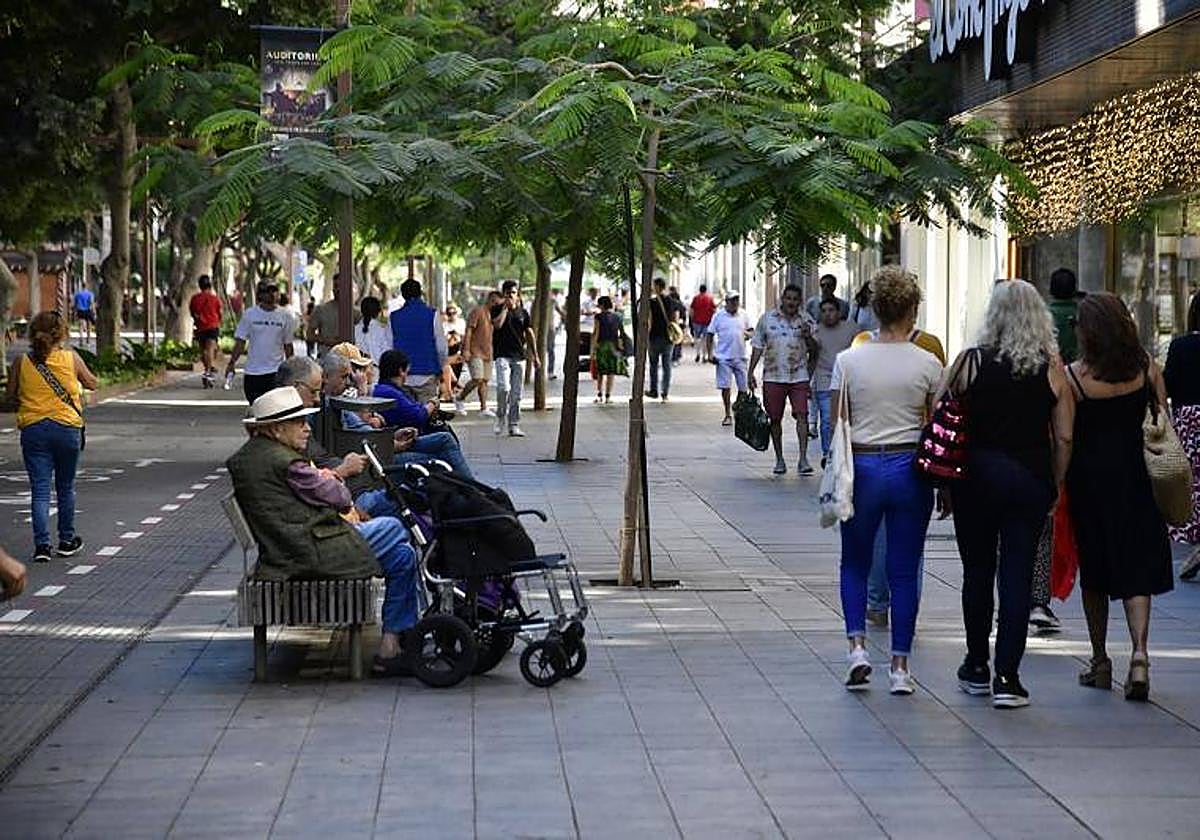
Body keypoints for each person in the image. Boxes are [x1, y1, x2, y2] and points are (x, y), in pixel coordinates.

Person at [227, 386, 421, 676]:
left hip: (291, 547)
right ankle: (403, 635)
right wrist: (338, 483)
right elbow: (340, 497)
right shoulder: (286, 462)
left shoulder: (253, 455)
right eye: (300, 422)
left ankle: (390, 646)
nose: (307, 428)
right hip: (310, 552)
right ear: (277, 428)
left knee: (403, 555)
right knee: (395, 526)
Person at [947, 280, 1074, 708]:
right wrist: (1055, 482)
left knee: (977, 571)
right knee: (1016, 574)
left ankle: (976, 664)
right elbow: (1065, 436)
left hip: (976, 477)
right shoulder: (1051, 367)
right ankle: (1008, 676)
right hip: (1029, 478)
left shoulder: (970, 362)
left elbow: (945, 418)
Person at [830, 267, 942, 695]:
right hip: (909, 469)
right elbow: (934, 426)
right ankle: (900, 667)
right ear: (912, 309)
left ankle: (857, 647)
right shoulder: (929, 363)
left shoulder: (848, 360)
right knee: (903, 569)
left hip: (861, 467)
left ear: (874, 309)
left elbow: (840, 422)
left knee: (854, 561)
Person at [1066, 292, 1173, 702]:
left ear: (1088, 332)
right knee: (1136, 566)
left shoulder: (1075, 377)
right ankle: (1140, 655)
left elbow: (1066, 434)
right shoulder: (1147, 368)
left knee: (1096, 570)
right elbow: (1160, 421)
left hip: (1090, 482)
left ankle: (1099, 660)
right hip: (1139, 477)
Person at [6, 311, 98, 562]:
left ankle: (42, 546)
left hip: (33, 430)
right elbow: (92, 383)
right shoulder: (71, 358)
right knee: (65, 487)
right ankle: (67, 540)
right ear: (62, 334)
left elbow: (10, 397)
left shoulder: (21, 363)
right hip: (67, 428)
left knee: (40, 489)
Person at [1029, 267, 1082, 632]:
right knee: (1042, 527)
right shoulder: (1054, 362)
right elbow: (1064, 435)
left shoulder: (979, 359)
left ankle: (1007, 599)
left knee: (1001, 535)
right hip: (1041, 450)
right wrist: (1060, 476)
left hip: (994, 463)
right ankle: (1037, 600)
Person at [748, 284, 817, 476]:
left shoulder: (807, 320)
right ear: (782, 299)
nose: (791, 302)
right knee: (775, 419)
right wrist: (750, 372)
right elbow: (757, 345)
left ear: (800, 302)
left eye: (795, 299)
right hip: (773, 375)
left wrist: (808, 336)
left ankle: (803, 459)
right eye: (788, 298)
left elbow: (815, 350)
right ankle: (779, 459)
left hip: (799, 375)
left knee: (802, 416)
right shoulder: (767, 319)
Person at [372, 350, 474, 478]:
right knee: (445, 442)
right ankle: (473, 488)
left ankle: (470, 488)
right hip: (391, 452)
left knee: (445, 449)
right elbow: (418, 416)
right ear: (401, 371)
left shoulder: (388, 390)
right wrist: (432, 403)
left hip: (396, 443)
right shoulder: (386, 392)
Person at [1165, 291, 1200, 580]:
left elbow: (1169, 384)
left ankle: (1196, 537)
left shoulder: (1181, 346)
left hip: (1189, 419)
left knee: (1192, 481)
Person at [225, 281, 297, 404]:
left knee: (273, 408)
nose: (272, 294)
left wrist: (292, 369)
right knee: (255, 407)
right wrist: (232, 363)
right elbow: (240, 342)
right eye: (267, 291)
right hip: (253, 372)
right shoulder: (250, 315)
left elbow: (288, 345)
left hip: (275, 372)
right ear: (260, 295)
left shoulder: (285, 316)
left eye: (274, 290)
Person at [811, 299, 858, 467]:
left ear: (839, 312)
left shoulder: (851, 328)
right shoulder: (816, 330)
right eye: (823, 311)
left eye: (831, 310)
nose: (827, 314)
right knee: (826, 419)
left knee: (847, 418)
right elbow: (812, 354)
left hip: (848, 379)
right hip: (824, 378)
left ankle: (846, 451)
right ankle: (827, 454)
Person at [491, 280, 539, 437]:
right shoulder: (497, 309)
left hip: (519, 357)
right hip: (502, 355)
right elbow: (497, 325)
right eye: (507, 293)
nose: (510, 296)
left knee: (516, 394)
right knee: (503, 388)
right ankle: (500, 418)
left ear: (518, 294)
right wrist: (505, 308)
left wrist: (535, 356)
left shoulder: (523, 313)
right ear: (503, 294)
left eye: (513, 293)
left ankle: (514, 424)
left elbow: (529, 334)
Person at [388, 279, 447, 405]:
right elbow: (441, 348)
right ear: (421, 293)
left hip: (402, 376)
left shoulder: (393, 317)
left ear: (403, 295)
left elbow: (389, 348)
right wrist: (440, 368)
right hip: (428, 374)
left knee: (406, 418)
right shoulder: (432, 315)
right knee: (428, 417)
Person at [707, 292, 754, 426]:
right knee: (725, 387)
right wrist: (710, 354)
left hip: (741, 356)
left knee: (743, 388)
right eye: (732, 301)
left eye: (737, 300)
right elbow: (710, 334)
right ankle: (727, 414)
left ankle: (738, 409)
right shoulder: (719, 316)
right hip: (723, 357)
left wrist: (748, 334)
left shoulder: (743, 315)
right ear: (726, 301)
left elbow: (751, 331)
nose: (735, 303)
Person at [458, 291, 499, 417]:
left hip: (488, 351)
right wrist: (466, 349)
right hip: (475, 350)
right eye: (496, 303)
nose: (497, 305)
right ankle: (460, 397)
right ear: (490, 301)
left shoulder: (493, 315)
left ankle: (483, 407)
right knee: (477, 378)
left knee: (484, 381)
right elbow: (469, 330)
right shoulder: (478, 311)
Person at [646, 278, 681, 402]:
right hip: (668, 338)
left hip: (654, 337)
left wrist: (646, 337)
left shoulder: (651, 302)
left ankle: (654, 390)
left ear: (657, 287)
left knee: (653, 365)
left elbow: (649, 322)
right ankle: (665, 393)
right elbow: (676, 319)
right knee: (667, 366)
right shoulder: (672, 301)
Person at [189, 275, 223, 388]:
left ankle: (208, 369)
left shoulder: (195, 298)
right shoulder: (215, 299)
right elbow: (220, 313)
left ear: (200, 285)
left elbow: (192, 312)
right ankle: (209, 370)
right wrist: (219, 322)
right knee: (210, 350)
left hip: (200, 327)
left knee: (204, 350)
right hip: (213, 326)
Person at [590, 296, 625, 403]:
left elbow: (596, 332)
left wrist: (592, 349)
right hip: (613, 347)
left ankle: (599, 394)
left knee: (600, 371)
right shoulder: (618, 316)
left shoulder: (598, 317)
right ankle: (608, 396)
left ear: (602, 305)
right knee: (611, 373)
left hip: (602, 346)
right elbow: (620, 333)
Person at [307, 278, 341, 358]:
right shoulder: (321, 310)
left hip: (349, 361)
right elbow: (309, 334)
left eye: (341, 286)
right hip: (325, 358)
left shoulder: (355, 313)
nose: (338, 289)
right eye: (336, 286)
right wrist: (327, 341)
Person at [442, 303, 467, 411]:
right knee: (446, 367)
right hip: (447, 351)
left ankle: (453, 387)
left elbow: (464, 336)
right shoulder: (444, 325)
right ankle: (453, 386)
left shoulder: (461, 323)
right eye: (449, 313)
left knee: (448, 368)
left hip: (458, 350)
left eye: (454, 313)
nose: (452, 315)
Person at [354, 296, 391, 364]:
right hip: (378, 369)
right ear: (378, 312)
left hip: (360, 370)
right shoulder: (382, 330)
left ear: (362, 311)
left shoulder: (355, 330)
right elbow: (387, 352)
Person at [690, 284, 716, 362]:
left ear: (699, 290)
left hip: (696, 321)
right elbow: (714, 309)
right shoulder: (710, 299)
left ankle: (698, 354)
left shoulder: (695, 298)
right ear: (706, 290)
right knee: (705, 339)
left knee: (697, 338)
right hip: (707, 321)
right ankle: (704, 356)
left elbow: (692, 310)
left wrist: (692, 319)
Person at [548, 289, 565, 380]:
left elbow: (561, 312)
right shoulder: (537, 301)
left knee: (550, 350)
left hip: (550, 329)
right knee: (542, 351)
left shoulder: (553, 301)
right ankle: (541, 371)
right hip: (541, 329)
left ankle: (550, 371)